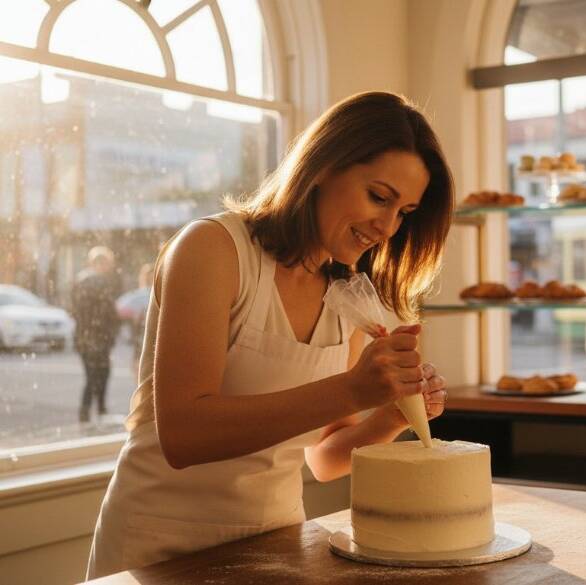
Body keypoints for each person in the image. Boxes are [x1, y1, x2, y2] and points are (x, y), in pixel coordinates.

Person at [86, 92, 454, 578]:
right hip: (159, 546)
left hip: (277, 546)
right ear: (324, 166)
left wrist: (390, 414)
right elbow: (183, 434)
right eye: (379, 197)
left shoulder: (346, 294)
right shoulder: (213, 250)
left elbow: (325, 457)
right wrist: (351, 389)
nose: (387, 227)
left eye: (404, 212)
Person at [72, 246, 122, 423]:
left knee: (97, 373)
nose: (109, 268)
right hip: (96, 338)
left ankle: (95, 409)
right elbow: (106, 312)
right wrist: (111, 329)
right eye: (107, 263)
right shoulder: (97, 283)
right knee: (98, 373)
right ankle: (91, 410)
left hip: (85, 337)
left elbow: (77, 312)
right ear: (99, 263)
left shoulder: (80, 281)